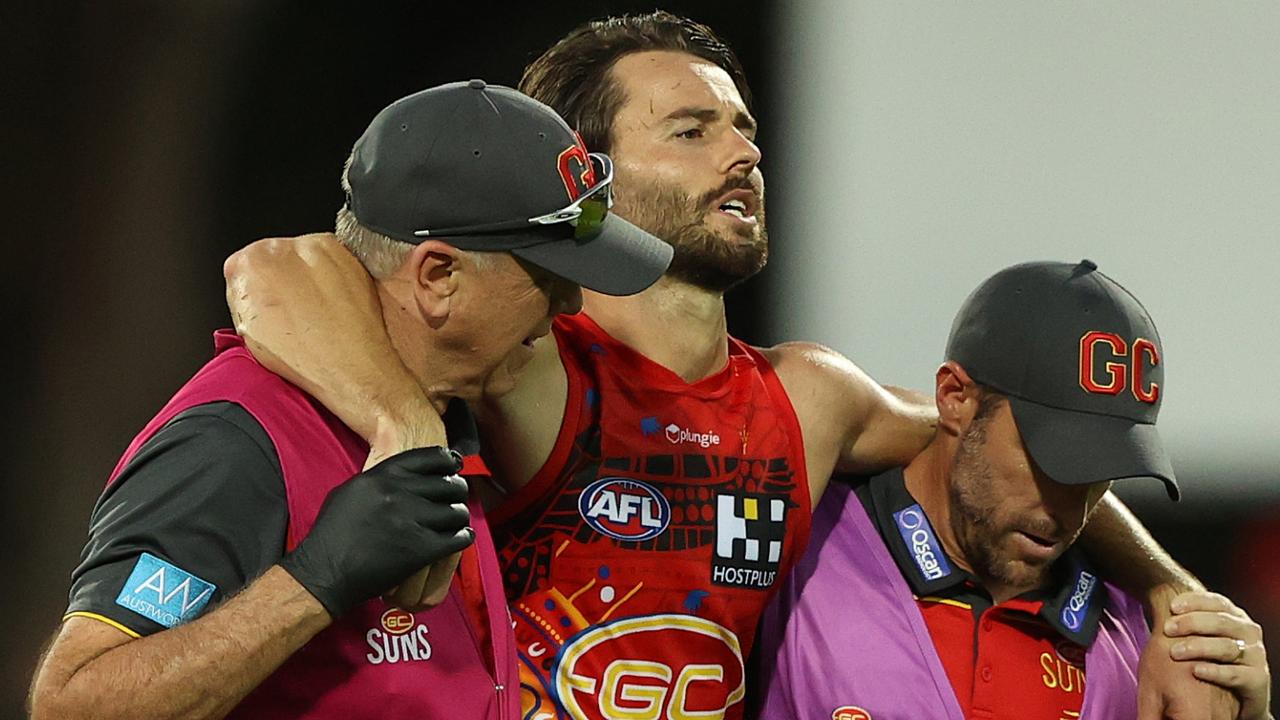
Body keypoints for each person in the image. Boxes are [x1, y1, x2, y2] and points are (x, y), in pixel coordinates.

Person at [221, 12, 1241, 719]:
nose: (740, 153)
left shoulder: (808, 398)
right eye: (691, 130)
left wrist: (1170, 599)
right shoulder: (538, 365)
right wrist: (401, 423)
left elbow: (1007, 451)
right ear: (590, 172)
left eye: (744, 130)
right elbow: (272, 268)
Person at [28, 80, 672, 720]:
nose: (571, 304)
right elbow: (75, 704)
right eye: (548, 276)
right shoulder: (238, 437)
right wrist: (312, 582)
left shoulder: (440, 415)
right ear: (438, 277)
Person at [754, 260, 1272, 719]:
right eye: (1051, 460)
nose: (1067, 507)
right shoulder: (801, 543)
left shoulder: (1150, 644)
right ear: (955, 398)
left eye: (1100, 469)